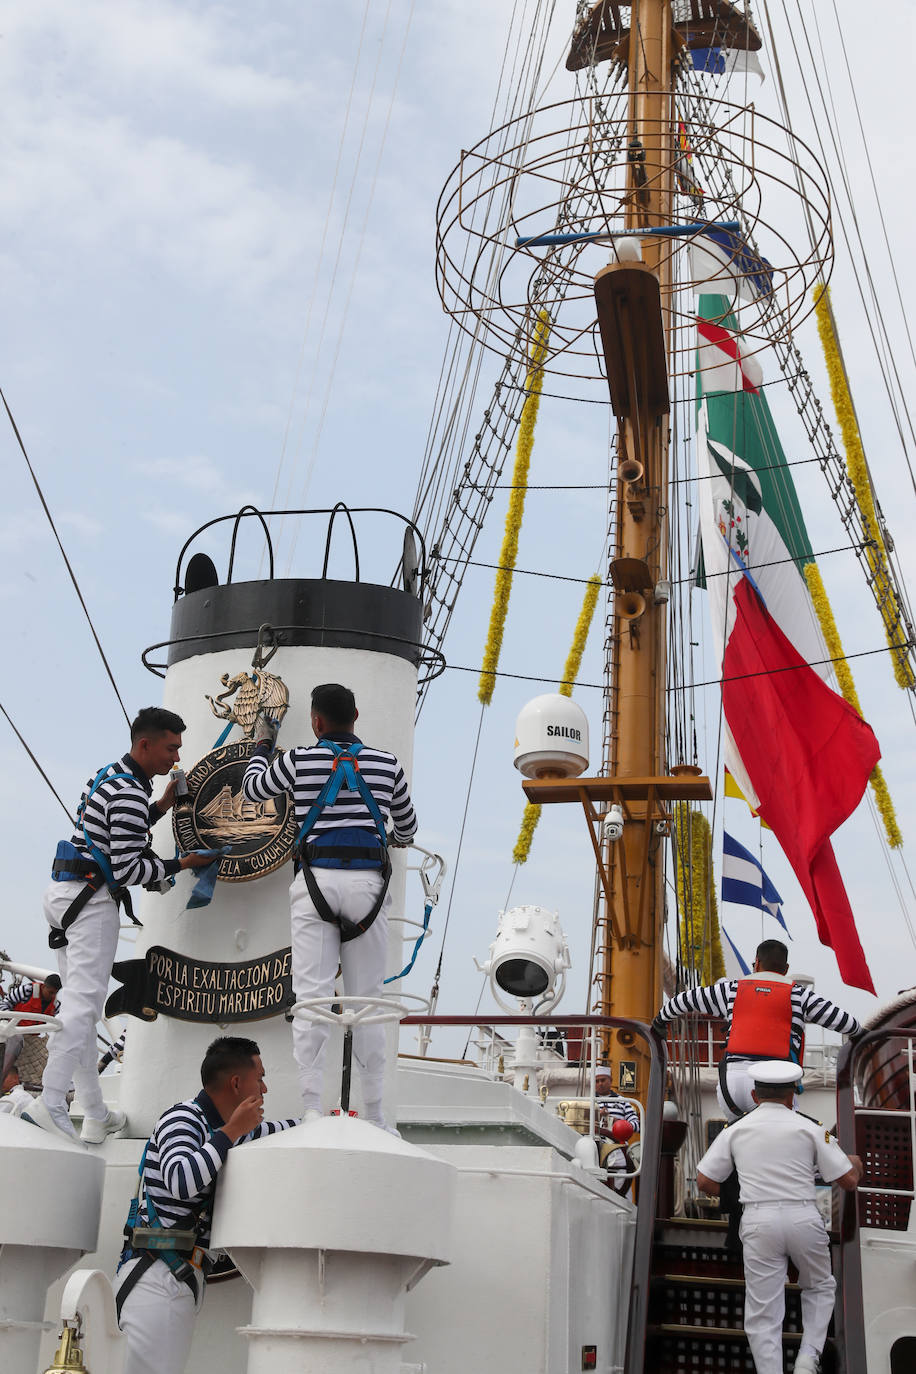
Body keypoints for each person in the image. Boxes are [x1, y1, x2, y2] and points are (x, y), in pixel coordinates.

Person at [25, 708, 215, 1146]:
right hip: (91, 904)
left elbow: (110, 834)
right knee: (83, 1006)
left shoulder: (109, 777)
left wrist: (162, 807)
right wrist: (182, 863)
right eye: (171, 748)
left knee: (81, 1005)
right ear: (144, 745)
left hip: (64, 897)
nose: (175, 758)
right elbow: (129, 868)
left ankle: (93, 1112)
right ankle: (50, 1103)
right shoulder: (130, 794)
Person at [242, 682, 417, 1129]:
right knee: (369, 1002)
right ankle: (377, 1115)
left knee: (312, 997)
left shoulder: (298, 760)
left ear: (316, 722)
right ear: (356, 714)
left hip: (315, 883)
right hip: (369, 891)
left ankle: (311, 1109)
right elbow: (407, 826)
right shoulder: (386, 764)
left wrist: (262, 745)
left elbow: (253, 790)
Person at [116, 1036, 297, 1374]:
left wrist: (322, 1123)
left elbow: (277, 1131)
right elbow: (181, 1181)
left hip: (173, 1280)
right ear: (237, 1083)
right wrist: (231, 1131)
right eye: (260, 1078)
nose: (265, 1088)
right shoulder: (183, 1119)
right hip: (156, 1280)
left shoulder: (217, 1129)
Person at [696, 1060, 862, 1374]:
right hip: (803, 1217)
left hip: (758, 1220)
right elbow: (848, 1180)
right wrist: (856, 1162)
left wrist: (741, 1192)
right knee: (820, 1286)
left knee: (763, 1311)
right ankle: (807, 1359)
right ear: (791, 1096)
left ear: (755, 1095)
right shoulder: (810, 1128)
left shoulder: (736, 1130)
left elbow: (705, 1180)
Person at [652, 939, 861, 1120]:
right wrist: (862, 1035)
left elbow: (681, 1002)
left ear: (757, 963)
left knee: (738, 1134)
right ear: (786, 969)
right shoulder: (800, 995)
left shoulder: (730, 989)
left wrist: (660, 1023)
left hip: (732, 1086)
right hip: (775, 1084)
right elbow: (846, 1023)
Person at [0, 973, 62, 1093]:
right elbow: (4, 1003)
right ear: (43, 987)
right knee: (16, 1039)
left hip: (32, 1040)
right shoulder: (26, 991)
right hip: (12, 1032)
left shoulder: (56, 1005)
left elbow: (62, 1020)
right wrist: (7, 1022)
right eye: (50, 992)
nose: (52, 996)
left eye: (55, 993)